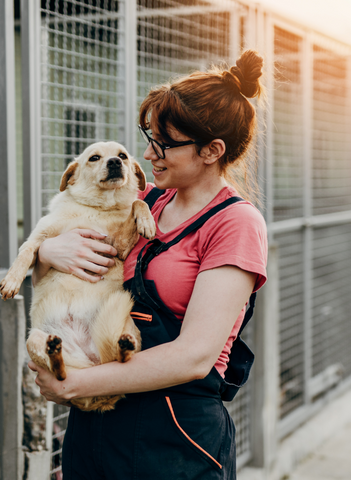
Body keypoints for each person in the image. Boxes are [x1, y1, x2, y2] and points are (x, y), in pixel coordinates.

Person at [28, 49, 268, 480]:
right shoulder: (146, 202)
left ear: (212, 150)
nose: (149, 153)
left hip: (173, 433)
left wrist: (75, 385)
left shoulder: (236, 223)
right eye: (149, 137)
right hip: (98, 421)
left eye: (164, 143)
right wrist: (48, 252)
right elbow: (66, 269)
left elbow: (195, 356)